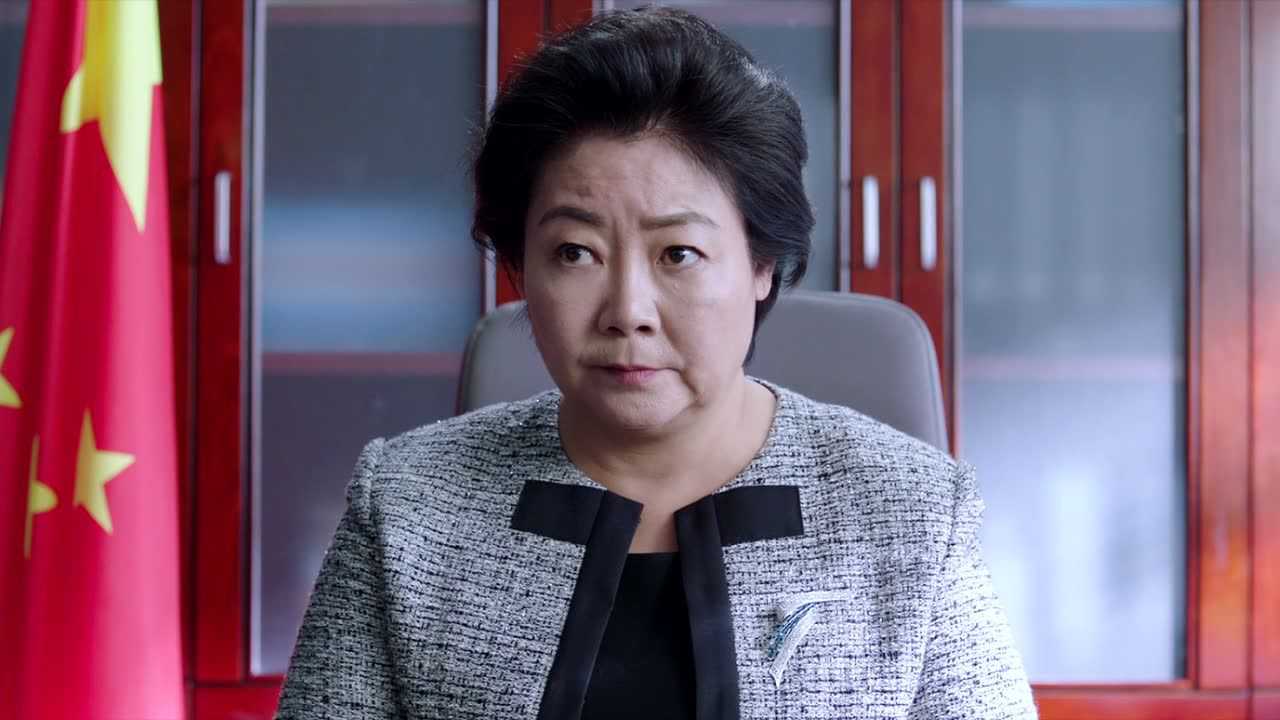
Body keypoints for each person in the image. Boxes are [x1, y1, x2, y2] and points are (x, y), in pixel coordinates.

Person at [276, 6, 1037, 719]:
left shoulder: (911, 510)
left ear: (762, 264)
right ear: (520, 266)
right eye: (575, 252)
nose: (627, 310)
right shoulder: (404, 503)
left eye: (679, 253)